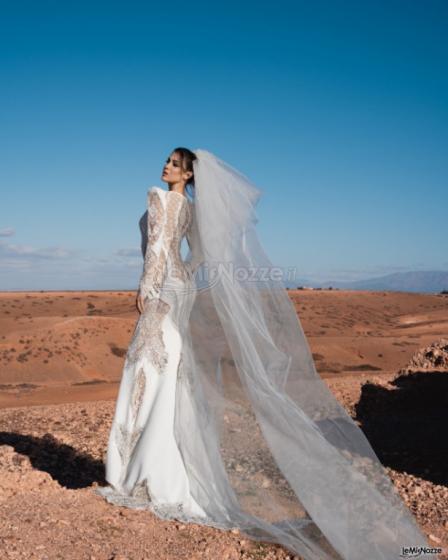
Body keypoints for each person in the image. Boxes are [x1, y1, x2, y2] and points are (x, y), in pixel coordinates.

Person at [95, 148, 433, 559]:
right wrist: (180, 281)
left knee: (147, 368)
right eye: (167, 161)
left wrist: (146, 288)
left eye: (175, 164)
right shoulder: (193, 209)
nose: (166, 166)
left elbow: (157, 252)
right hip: (179, 288)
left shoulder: (162, 199)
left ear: (186, 175)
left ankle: (138, 474)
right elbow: (197, 255)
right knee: (168, 374)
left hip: (163, 291)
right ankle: (157, 473)